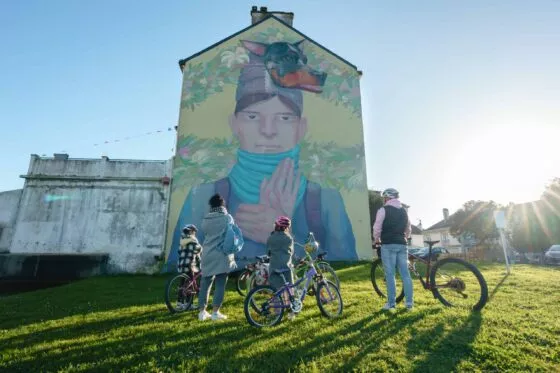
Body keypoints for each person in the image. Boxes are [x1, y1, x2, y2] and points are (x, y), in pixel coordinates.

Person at [166, 39, 356, 272]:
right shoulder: (202, 197)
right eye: (253, 117)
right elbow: (180, 264)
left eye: (284, 118)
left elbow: (344, 267)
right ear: (235, 125)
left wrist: (278, 233)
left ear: (301, 128)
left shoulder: (326, 202)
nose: (268, 131)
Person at [372, 188, 413, 312]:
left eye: (385, 198)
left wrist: (376, 239)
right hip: (402, 244)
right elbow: (408, 229)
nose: (384, 200)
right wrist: (404, 238)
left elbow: (377, 227)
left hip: (388, 245)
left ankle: (391, 304)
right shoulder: (404, 211)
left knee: (390, 275)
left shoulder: (383, 210)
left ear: (388, 198)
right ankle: (409, 304)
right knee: (405, 274)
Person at [198, 194, 237, 321]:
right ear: (222, 205)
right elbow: (232, 234)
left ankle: (202, 312)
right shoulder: (227, 218)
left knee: (205, 283)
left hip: (207, 253)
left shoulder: (205, 219)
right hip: (222, 254)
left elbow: (205, 232)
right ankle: (215, 312)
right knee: (220, 284)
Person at [266, 215, 296, 319]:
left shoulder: (271, 238)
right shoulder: (288, 238)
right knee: (289, 288)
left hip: (274, 267)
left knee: (275, 290)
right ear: (287, 227)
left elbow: (268, 252)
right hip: (286, 268)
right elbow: (291, 252)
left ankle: (277, 311)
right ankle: (291, 308)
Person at [177, 224, 202, 311]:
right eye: (194, 231)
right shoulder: (193, 241)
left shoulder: (182, 240)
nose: (195, 233)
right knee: (190, 283)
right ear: (191, 231)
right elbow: (198, 250)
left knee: (182, 284)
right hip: (190, 265)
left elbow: (179, 251)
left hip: (181, 264)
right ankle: (188, 303)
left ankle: (179, 303)